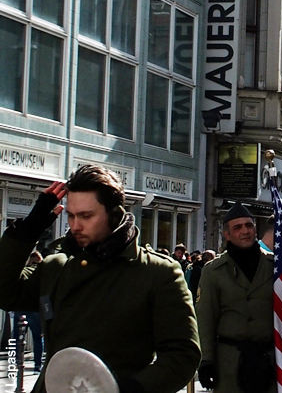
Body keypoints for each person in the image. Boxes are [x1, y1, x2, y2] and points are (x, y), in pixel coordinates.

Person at [0, 165, 201, 393]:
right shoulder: (57, 267)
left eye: (86, 216)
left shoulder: (157, 273)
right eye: (71, 216)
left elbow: (182, 355)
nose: (75, 226)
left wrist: (128, 389)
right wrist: (28, 229)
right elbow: (5, 293)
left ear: (114, 215)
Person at [196, 202, 282, 393]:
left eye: (249, 225)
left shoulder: (275, 266)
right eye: (237, 227)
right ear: (227, 235)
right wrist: (206, 361)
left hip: (271, 359)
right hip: (230, 362)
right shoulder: (213, 271)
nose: (245, 231)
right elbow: (205, 319)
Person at [12, 251, 45, 372]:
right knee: (38, 337)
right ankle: (37, 365)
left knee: (17, 338)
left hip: (20, 308)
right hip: (35, 309)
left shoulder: (23, 272)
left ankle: (16, 362)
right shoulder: (42, 274)